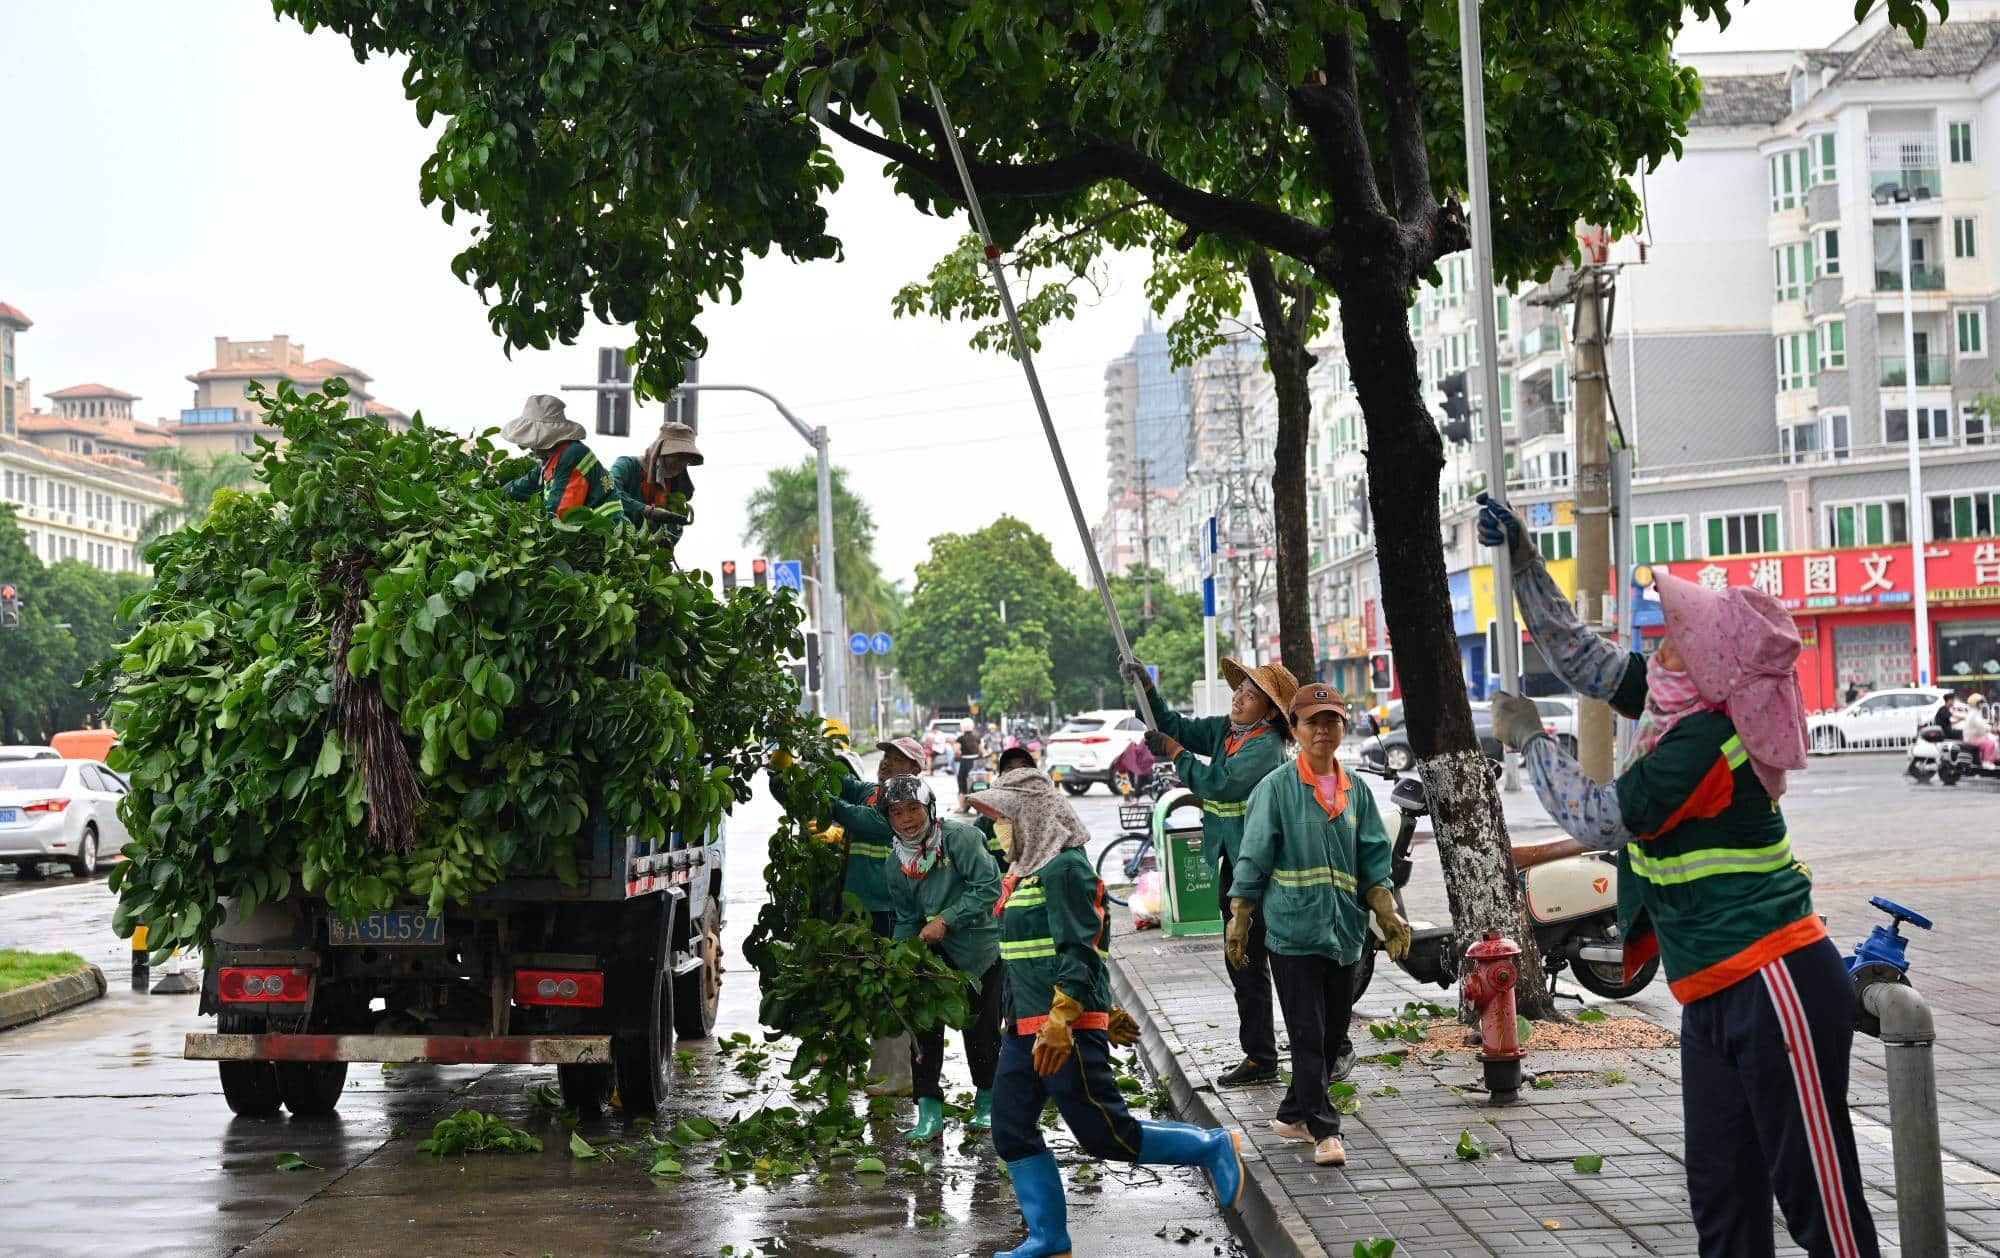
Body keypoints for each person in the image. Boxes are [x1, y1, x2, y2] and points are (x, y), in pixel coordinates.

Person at [1477, 492, 1878, 1258]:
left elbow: (1599, 817)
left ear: (1706, 667)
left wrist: (1533, 743)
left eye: (1674, 640)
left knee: (1819, 1205)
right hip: (1711, 993)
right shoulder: (1675, 704)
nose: (1658, 647)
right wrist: (1527, 562)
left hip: (1775, 981)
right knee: (1722, 1205)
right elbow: (1583, 659)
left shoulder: (1702, 742)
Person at [970, 767, 1245, 1258]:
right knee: (1010, 1130)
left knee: (1106, 1134)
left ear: (1030, 819)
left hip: (1062, 1028)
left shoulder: (1066, 869)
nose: (997, 829)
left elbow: (1083, 947)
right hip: (1025, 1029)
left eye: (1002, 818)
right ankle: (1049, 1238)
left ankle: (1211, 1145)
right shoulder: (1026, 872)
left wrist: (1067, 1019)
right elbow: (1025, 959)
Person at [1229, 683, 1409, 1167]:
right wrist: (1241, 918)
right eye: (1312, 722)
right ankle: (1325, 1130)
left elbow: (1374, 858)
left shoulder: (1357, 791)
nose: (1322, 731)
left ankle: (1292, 1113)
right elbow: (1253, 857)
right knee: (1307, 1033)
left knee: (1332, 1036)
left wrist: (1385, 909)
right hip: (1291, 931)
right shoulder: (1276, 789)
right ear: (1295, 729)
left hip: (1344, 933)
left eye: (1330, 721)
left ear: (1342, 727)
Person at [1120, 656, 1298, 1087]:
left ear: (1271, 712)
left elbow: (1217, 783)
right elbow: (1176, 725)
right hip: (1231, 862)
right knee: (1241, 961)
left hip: (1259, 868)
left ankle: (1294, 1052)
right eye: (1239, 690)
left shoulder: (1265, 746)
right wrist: (1145, 686)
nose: (1239, 698)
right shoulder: (1229, 731)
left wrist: (1174, 753)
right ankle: (1260, 1055)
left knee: (1262, 960)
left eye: (1251, 695)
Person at [772, 735, 929, 1096]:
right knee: (861, 990)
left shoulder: (910, 803)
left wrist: (825, 800)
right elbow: (825, 784)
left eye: (897, 758)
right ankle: (875, 1072)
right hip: (857, 911)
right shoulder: (868, 791)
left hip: (893, 911)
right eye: (885, 755)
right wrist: (794, 760)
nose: (886, 762)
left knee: (889, 991)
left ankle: (899, 1074)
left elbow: (859, 818)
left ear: (915, 769)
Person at [879, 775, 1004, 1140]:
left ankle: (987, 1103)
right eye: (897, 813)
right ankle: (929, 1112)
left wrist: (946, 921)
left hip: (978, 954)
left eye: (913, 809)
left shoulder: (960, 839)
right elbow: (905, 918)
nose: (907, 819)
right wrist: (899, 958)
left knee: (981, 1034)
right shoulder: (895, 863)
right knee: (923, 1034)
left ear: (929, 808)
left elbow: (988, 888)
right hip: (930, 960)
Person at [499, 395, 639, 522]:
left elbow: (559, 512)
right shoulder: (549, 461)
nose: (530, 447)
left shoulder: (572, 454)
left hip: (606, 530)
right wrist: (495, 492)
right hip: (592, 532)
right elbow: (522, 485)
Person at [609, 419, 702, 547]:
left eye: (686, 460)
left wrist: (666, 539)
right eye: (677, 457)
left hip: (647, 554)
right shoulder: (626, 466)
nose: (681, 464)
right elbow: (609, 493)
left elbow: (675, 525)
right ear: (660, 453)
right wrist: (645, 510)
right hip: (617, 543)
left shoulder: (675, 486)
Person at [972, 746, 1038, 872]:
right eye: (1009, 768)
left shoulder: (1050, 814)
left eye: (1024, 767)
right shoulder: (984, 823)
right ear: (1000, 777)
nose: (1017, 773)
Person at [1964, 695, 1998, 765]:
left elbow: (1981, 722)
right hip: (1972, 738)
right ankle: (1986, 762)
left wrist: (1988, 724)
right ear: (1975, 704)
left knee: (1992, 739)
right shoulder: (1973, 713)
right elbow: (1980, 725)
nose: (1981, 705)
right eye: (1980, 703)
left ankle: (1987, 759)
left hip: (1975, 736)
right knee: (1990, 743)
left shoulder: (1975, 712)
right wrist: (1991, 729)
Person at [955, 723, 984, 798]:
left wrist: (960, 754)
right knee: (977, 782)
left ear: (962, 728)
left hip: (964, 762)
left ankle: (962, 806)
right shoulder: (977, 737)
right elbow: (982, 751)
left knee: (962, 782)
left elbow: (956, 751)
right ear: (973, 727)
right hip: (976, 762)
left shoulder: (960, 738)